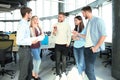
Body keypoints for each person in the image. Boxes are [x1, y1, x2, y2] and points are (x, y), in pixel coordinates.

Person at [75, 6, 107, 80]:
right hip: (86, 48)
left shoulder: (98, 20)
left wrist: (96, 47)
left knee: (89, 70)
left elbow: (104, 35)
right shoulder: (89, 22)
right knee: (88, 69)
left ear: (87, 12)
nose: (82, 15)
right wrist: (77, 34)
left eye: (83, 13)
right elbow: (86, 36)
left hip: (92, 49)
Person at [16, 7, 44, 80]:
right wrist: (31, 41)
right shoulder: (22, 24)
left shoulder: (25, 23)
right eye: (31, 13)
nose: (31, 15)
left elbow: (25, 38)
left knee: (29, 69)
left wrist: (32, 40)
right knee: (24, 72)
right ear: (27, 14)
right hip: (24, 50)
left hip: (28, 49)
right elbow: (18, 41)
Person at [52, 12, 71, 80]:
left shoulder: (67, 25)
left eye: (60, 17)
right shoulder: (55, 25)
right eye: (58, 17)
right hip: (57, 45)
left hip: (65, 45)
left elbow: (69, 35)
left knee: (64, 60)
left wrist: (68, 42)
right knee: (57, 60)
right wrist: (54, 31)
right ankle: (57, 74)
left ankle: (63, 73)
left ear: (64, 17)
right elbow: (53, 35)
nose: (59, 18)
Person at [30, 16, 44, 80]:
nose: (37, 20)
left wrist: (40, 36)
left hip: (38, 45)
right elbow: (34, 37)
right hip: (33, 46)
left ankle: (33, 73)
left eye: (37, 18)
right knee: (38, 60)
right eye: (35, 19)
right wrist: (39, 37)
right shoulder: (31, 28)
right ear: (32, 20)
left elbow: (43, 35)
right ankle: (36, 75)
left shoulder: (38, 27)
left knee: (35, 60)